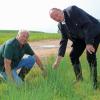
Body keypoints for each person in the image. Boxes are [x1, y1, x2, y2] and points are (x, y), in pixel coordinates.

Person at [49, 5, 100, 89]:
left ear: (60, 10)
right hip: (81, 38)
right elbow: (63, 41)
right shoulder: (60, 25)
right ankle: (79, 78)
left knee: (90, 54)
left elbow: (87, 24)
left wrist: (89, 43)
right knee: (73, 55)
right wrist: (57, 61)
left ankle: (94, 82)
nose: (57, 18)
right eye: (54, 18)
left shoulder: (72, 10)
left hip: (93, 32)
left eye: (57, 15)